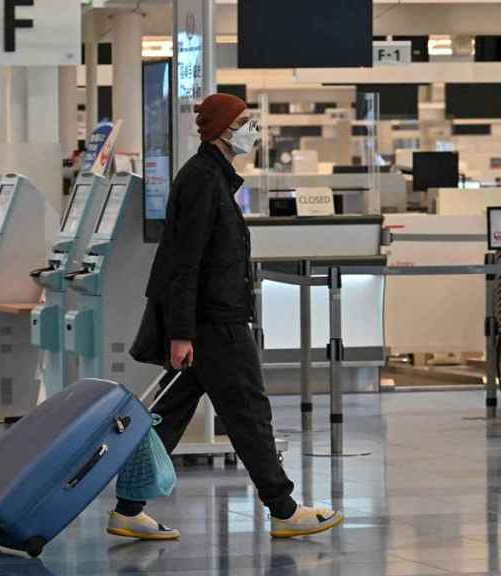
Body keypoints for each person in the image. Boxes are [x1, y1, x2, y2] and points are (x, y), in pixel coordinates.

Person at [107, 93, 344, 541]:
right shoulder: (202, 180)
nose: (253, 129)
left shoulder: (213, 177)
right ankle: (284, 508)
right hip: (214, 325)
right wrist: (180, 334)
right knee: (249, 414)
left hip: (209, 323)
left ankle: (128, 508)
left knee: (170, 416)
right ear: (223, 129)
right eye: (246, 121)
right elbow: (185, 262)